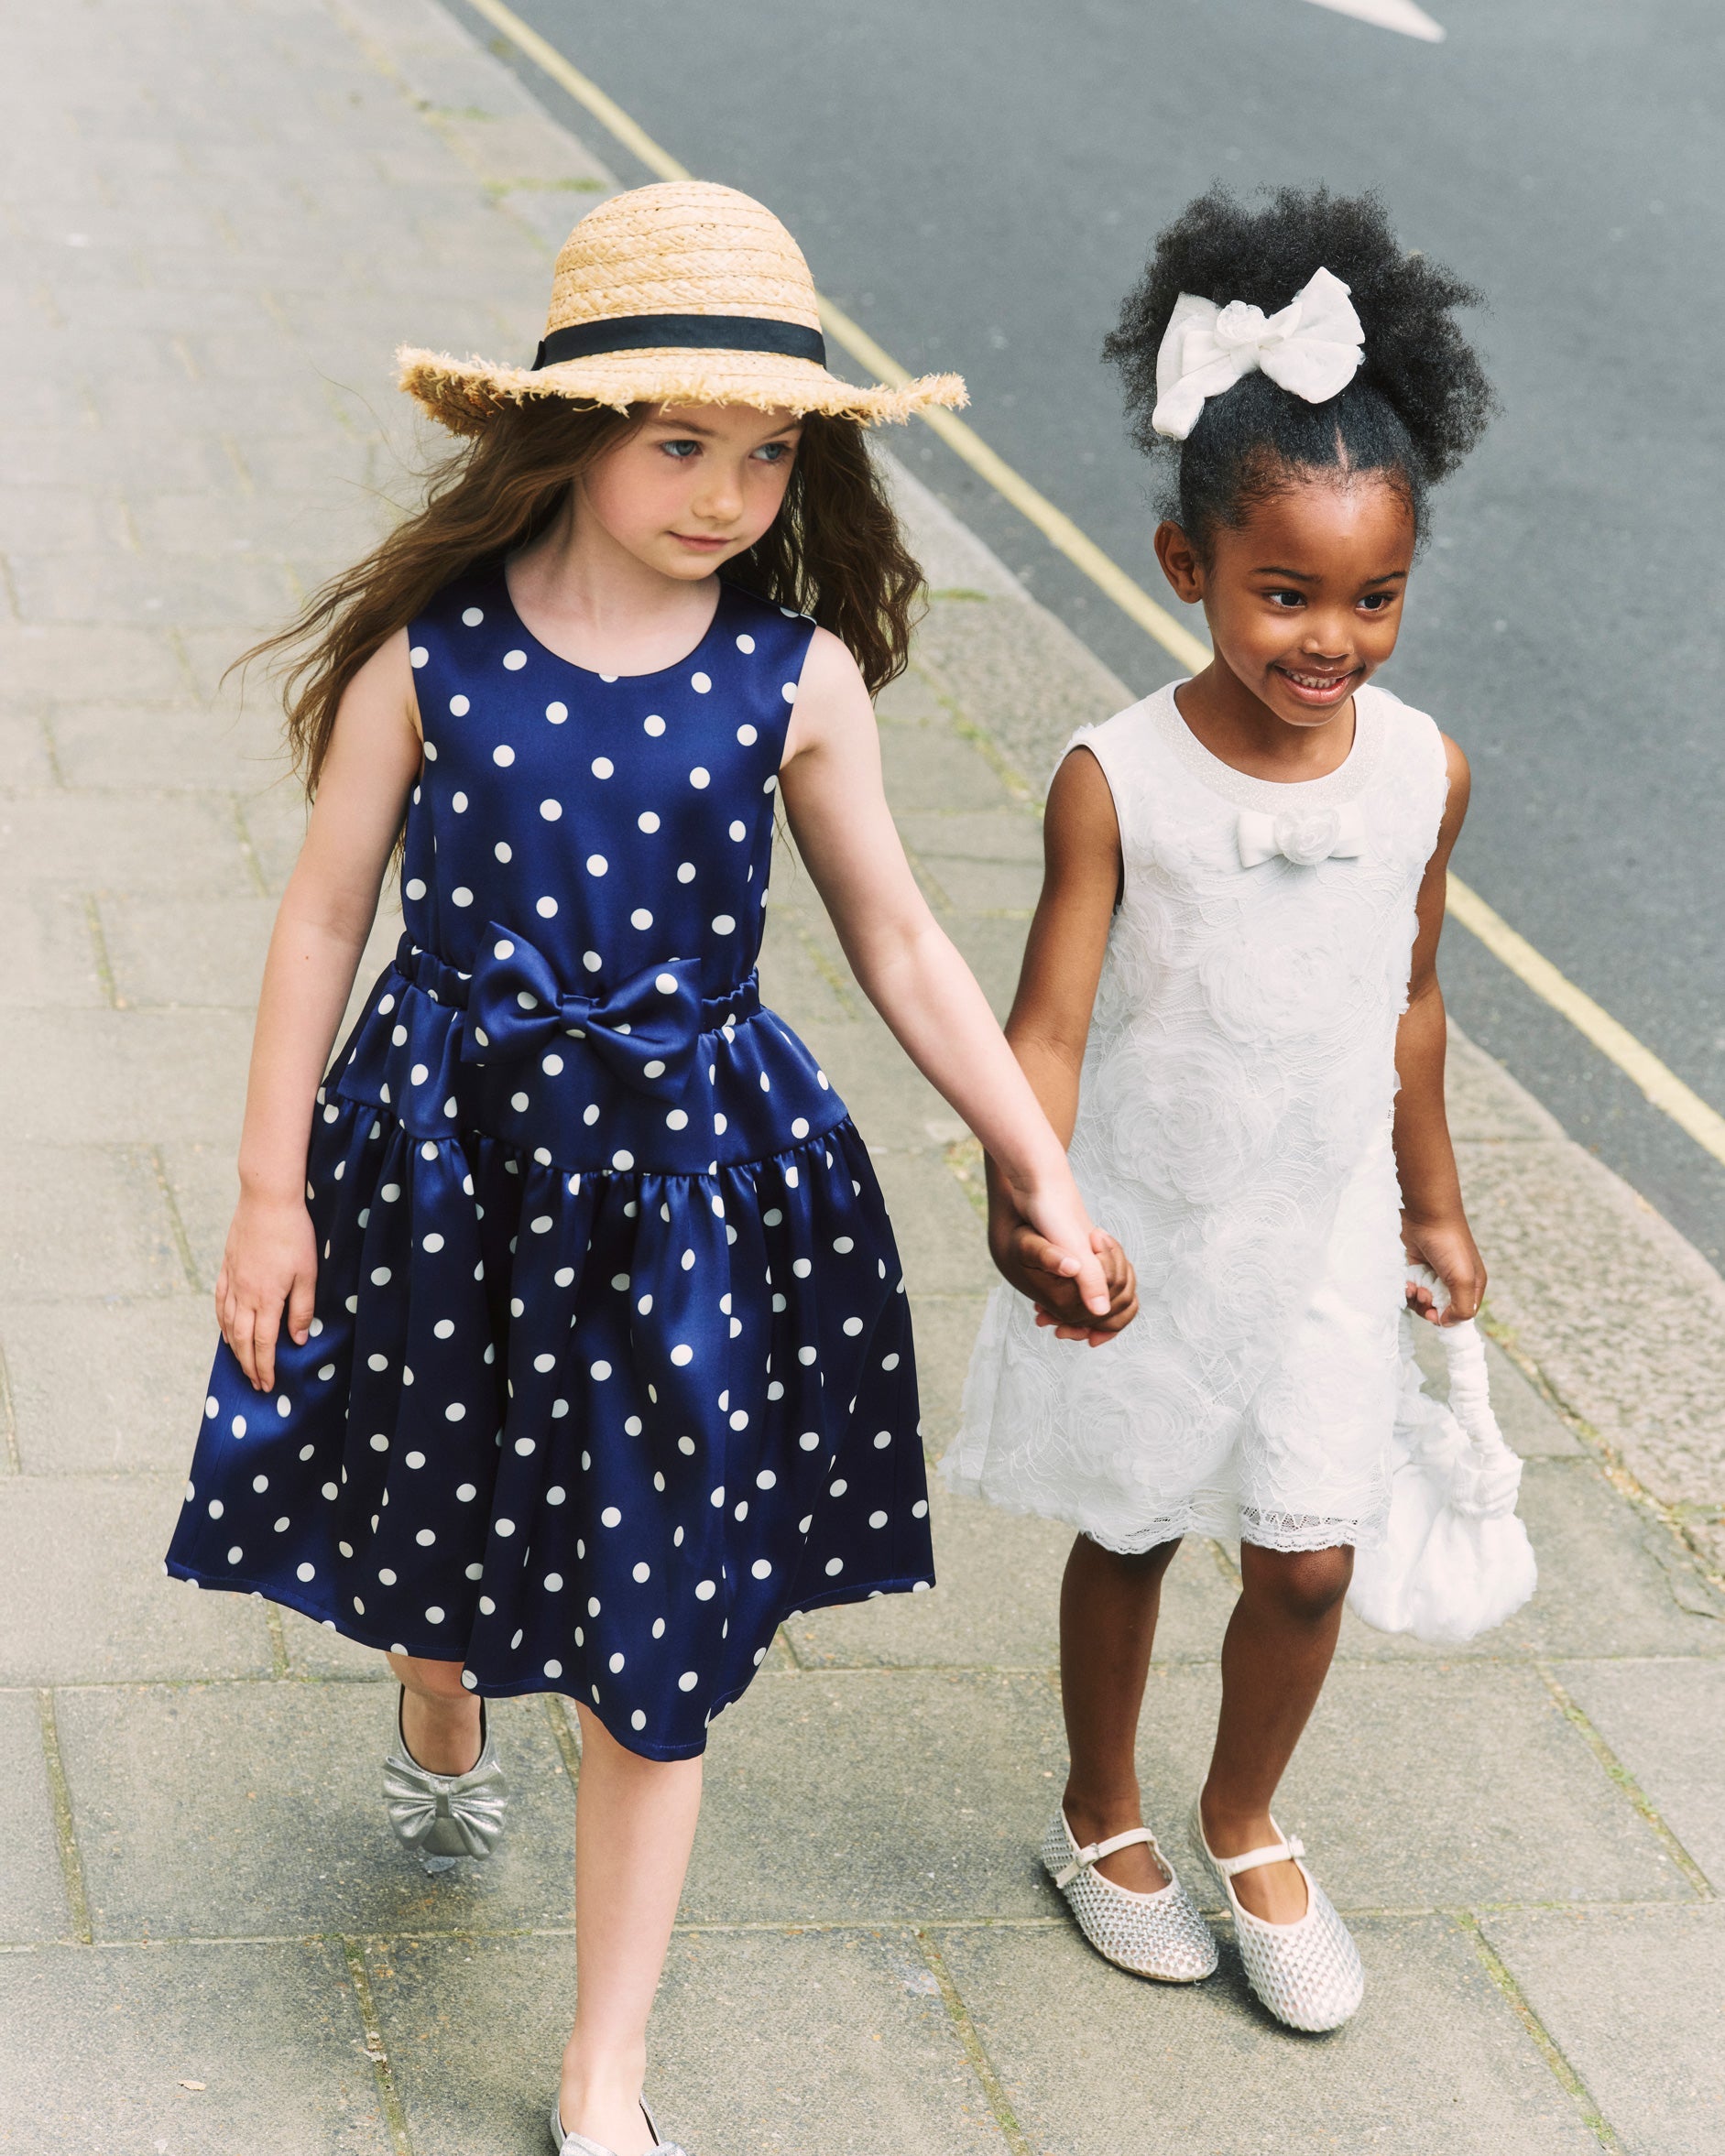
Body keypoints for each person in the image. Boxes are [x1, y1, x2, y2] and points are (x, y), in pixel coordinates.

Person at [166, 181, 1132, 2156]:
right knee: (432, 1527)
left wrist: (1038, 1158)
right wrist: (268, 1194)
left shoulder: (796, 678)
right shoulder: (431, 662)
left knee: (652, 1631)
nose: (727, 492)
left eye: (769, 454)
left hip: (688, 1200)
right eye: (682, 443)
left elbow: (901, 941)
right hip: (443, 1170)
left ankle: (602, 2075)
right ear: (569, 430)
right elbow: (320, 919)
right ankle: (437, 1690)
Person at [946, 184, 1496, 2032]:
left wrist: (1435, 1202)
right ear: (1187, 562)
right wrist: (1030, 1190)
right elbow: (1047, 1023)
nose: (1332, 637)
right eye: (1286, 594)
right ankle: (1097, 1812)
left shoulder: (1422, 772)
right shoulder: (1116, 778)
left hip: (1327, 1217)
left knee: (1311, 1554)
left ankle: (1243, 1814)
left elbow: (1412, 997)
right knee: (1132, 1521)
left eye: (1374, 597)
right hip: (1154, 1216)